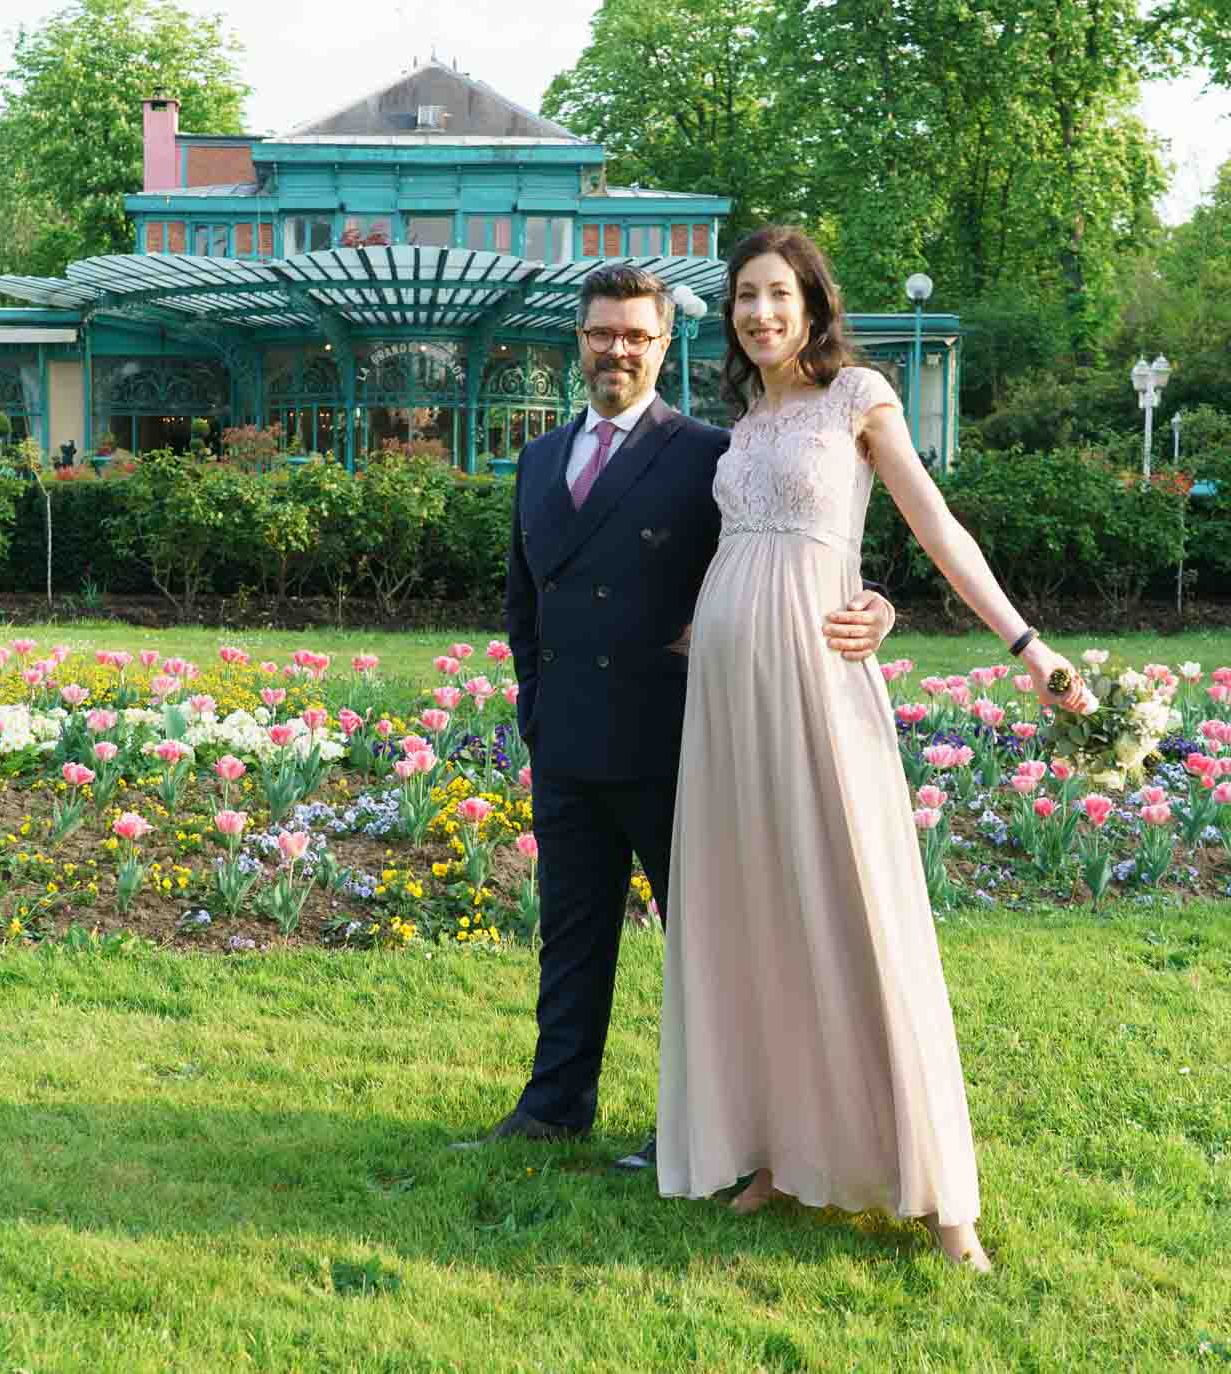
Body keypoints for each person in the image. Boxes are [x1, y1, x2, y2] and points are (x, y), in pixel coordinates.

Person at [655, 226, 1091, 1273]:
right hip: (725, 696)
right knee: (754, 913)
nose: (759, 313)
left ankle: (946, 1205)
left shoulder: (859, 397)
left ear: (810, 302)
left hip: (817, 681)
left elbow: (933, 523)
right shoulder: (748, 418)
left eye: (776, 294)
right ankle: (774, 1152)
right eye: (743, 297)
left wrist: (1025, 646)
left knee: (861, 907)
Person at [458, 262, 898, 1166]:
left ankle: (701, 1124)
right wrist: (534, 706)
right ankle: (554, 1103)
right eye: (600, 333)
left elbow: (795, 540)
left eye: (634, 334)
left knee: (706, 947)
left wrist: (877, 604)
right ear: (577, 342)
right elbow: (522, 601)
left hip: (680, 740)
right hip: (569, 737)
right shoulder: (540, 458)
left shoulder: (707, 452)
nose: (615, 348)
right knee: (570, 934)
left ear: (665, 344)